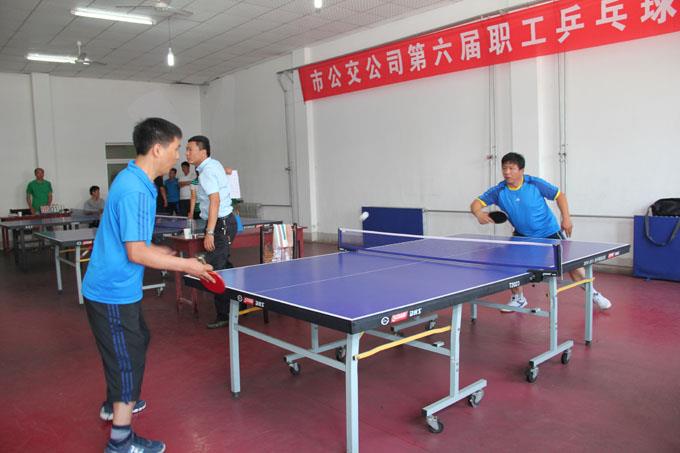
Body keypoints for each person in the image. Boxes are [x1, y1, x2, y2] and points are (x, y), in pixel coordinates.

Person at [82, 118, 214, 453]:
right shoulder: (136, 190)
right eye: (175, 148)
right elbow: (136, 252)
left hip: (115, 286)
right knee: (127, 360)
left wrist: (157, 250)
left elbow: (133, 241)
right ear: (157, 149)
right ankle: (120, 440)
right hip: (112, 291)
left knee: (136, 341)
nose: (177, 156)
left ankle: (114, 403)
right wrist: (188, 265)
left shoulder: (131, 178)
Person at [470, 152, 611, 312]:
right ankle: (518, 298)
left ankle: (593, 293)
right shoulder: (499, 191)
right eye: (504, 168)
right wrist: (478, 214)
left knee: (571, 265)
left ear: (521, 170)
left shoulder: (534, 183)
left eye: (511, 168)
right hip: (522, 235)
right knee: (511, 264)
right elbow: (475, 204)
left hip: (549, 232)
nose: (507, 172)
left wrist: (566, 218)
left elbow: (560, 196)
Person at [185, 135, 237, 329]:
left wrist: (209, 232)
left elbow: (214, 201)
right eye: (186, 149)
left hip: (220, 224)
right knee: (225, 264)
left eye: (190, 149)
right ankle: (239, 302)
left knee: (216, 268)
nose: (187, 153)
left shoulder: (207, 172)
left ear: (203, 151)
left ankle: (225, 314)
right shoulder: (213, 165)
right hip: (225, 221)